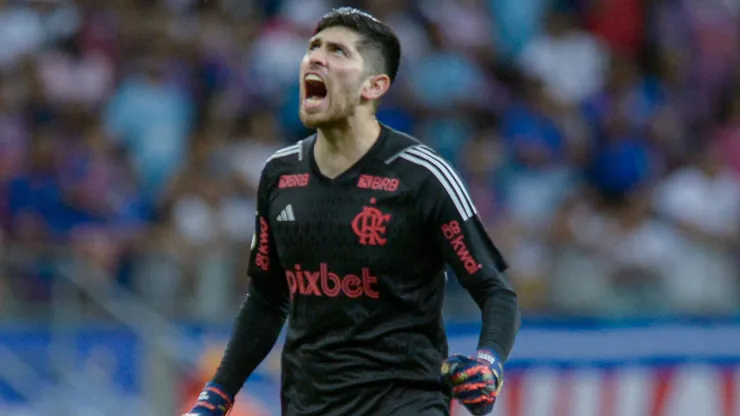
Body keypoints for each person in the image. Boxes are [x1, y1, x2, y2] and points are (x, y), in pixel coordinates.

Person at [184, 7, 519, 416]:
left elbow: (494, 289)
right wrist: (217, 394)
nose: (316, 59)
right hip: (308, 405)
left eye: (338, 52)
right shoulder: (279, 174)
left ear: (373, 86)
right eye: (313, 48)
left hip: (404, 403)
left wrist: (489, 362)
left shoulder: (422, 175)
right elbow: (267, 299)